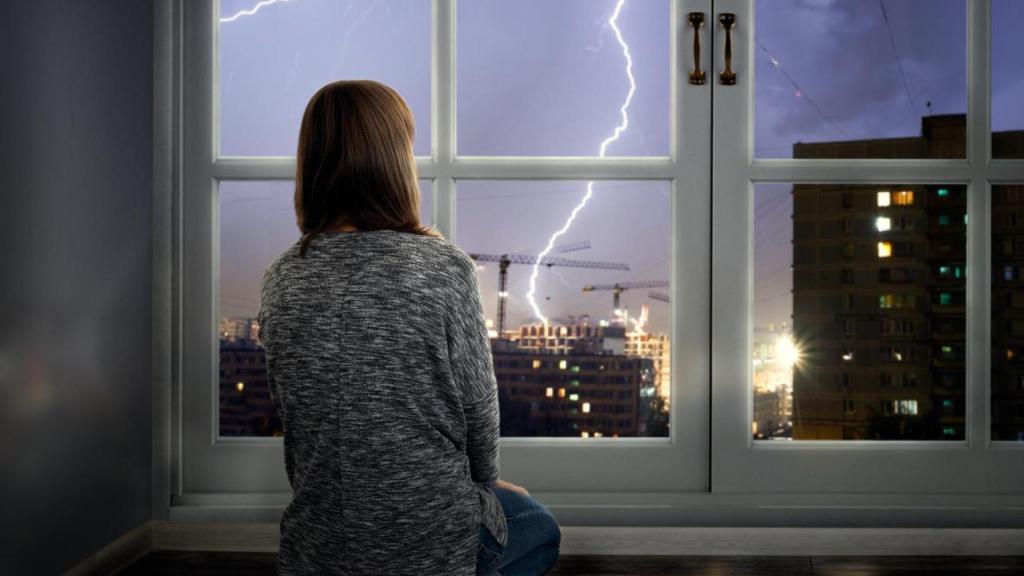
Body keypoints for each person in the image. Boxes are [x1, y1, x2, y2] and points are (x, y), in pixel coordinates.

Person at [257, 79, 561, 575]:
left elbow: (295, 410)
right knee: (539, 526)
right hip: (430, 548)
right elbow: (478, 411)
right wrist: (485, 484)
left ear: (310, 163)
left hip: (316, 550)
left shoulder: (280, 277)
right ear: (396, 161)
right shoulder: (443, 267)